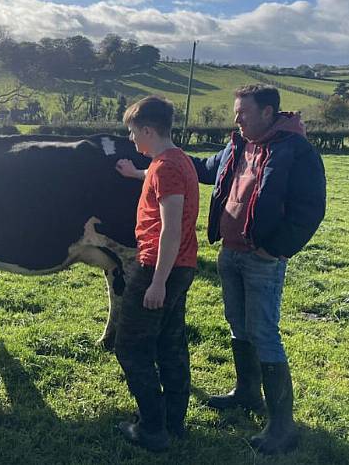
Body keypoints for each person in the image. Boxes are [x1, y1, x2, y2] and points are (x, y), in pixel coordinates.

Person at [192, 84, 326, 454]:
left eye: (243, 113)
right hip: (230, 253)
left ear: (267, 112)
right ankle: (247, 393)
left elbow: (309, 208)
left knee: (264, 333)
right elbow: (207, 168)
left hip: (262, 258)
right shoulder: (238, 144)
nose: (236, 119)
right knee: (238, 325)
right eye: (236, 112)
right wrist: (161, 156)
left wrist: (275, 249)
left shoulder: (295, 151)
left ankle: (282, 427)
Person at [113, 95, 200, 452]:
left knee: (130, 347)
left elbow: (171, 227)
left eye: (134, 134)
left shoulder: (165, 168)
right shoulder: (177, 160)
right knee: (170, 344)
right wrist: (136, 174)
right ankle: (174, 421)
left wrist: (158, 282)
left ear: (148, 130)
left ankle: (151, 429)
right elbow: (162, 180)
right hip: (182, 266)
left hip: (158, 267)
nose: (133, 141)